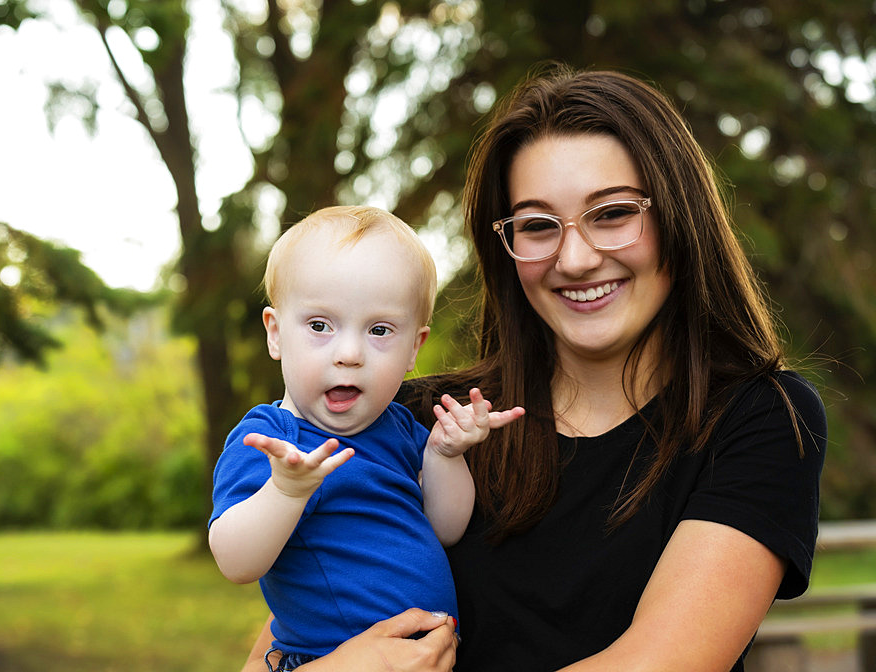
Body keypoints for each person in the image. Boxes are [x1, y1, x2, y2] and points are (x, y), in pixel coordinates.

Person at [237, 64, 828, 672]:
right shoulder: (417, 422)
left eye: (613, 214)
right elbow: (290, 636)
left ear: (678, 219)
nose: (574, 258)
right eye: (539, 226)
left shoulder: (759, 421)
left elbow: (659, 662)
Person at [209, 205, 524, 671]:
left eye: (379, 330)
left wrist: (444, 453)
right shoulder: (272, 439)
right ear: (275, 334)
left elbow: (447, 527)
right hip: (329, 658)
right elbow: (237, 562)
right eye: (320, 326)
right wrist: (286, 491)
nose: (350, 353)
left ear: (414, 348)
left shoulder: (397, 428)